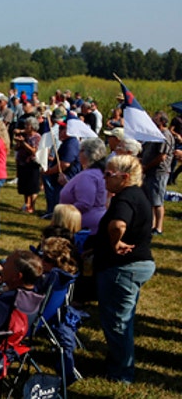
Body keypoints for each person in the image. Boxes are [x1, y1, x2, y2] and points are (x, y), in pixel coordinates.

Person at [92, 155, 154, 383]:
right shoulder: (136, 194)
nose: (104, 178)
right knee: (121, 319)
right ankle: (116, 363)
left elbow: (118, 223)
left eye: (109, 175)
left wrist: (114, 241)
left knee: (118, 322)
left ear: (124, 177)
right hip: (133, 266)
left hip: (123, 268)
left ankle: (121, 373)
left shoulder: (125, 198)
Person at [59, 138, 108, 232]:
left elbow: (85, 203)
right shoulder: (98, 172)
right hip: (93, 221)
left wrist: (63, 212)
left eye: (81, 150)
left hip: (83, 225)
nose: (78, 154)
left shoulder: (89, 175)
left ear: (87, 154)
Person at [140, 111, 173, 235]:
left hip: (158, 172)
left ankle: (158, 228)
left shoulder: (165, 135)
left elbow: (162, 156)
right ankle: (151, 225)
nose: (153, 120)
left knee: (157, 200)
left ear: (163, 122)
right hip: (150, 171)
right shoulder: (155, 134)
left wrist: (147, 166)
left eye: (156, 119)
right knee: (150, 199)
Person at [42, 122, 81, 219]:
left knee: (60, 202)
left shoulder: (71, 143)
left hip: (66, 178)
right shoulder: (67, 142)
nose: (59, 131)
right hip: (61, 178)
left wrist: (49, 171)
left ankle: (59, 219)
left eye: (61, 129)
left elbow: (65, 164)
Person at [13, 117, 41, 214]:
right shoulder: (25, 136)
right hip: (22, 163)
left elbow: (34, 150)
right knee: (24, 186)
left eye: (27, 125)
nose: (25, 127)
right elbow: (16, 148)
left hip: (32, 164)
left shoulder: (37, 137)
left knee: (32, 187)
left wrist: (23, 143)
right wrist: (18, 142)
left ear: (33, 127)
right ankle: (26, 204)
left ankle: (32, 206)